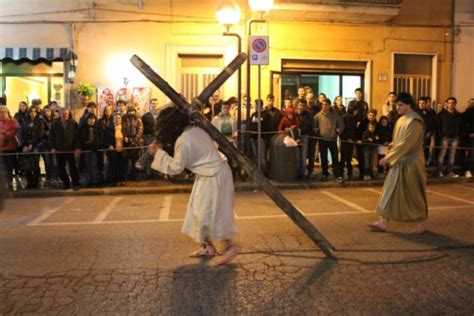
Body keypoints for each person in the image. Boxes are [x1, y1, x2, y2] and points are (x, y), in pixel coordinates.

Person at [147, 106, 239, 265]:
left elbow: (176, 168)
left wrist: (158, 154)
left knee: (211, 213)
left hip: (213, 176)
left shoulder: (184, 140)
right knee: (198, 211)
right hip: (212, 174)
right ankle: (208, 247)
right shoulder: (196, 130)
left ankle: (231, 247)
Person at [369, 92, 427, 234]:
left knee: (413, 193)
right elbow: (399, 140)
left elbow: (407, 144)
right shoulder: (403, 119)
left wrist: (388, 158)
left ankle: (422, 223)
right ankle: (383, 221)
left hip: (411, 163)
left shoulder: (414, 121)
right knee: (390, 190)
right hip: (399, 160)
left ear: (408, 105)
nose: (397, 107)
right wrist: (391, 147)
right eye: (396, 105)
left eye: (400, 105)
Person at [314, 98, 344, 182]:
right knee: (323, 157)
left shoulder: (335, 115)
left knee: (335, 157)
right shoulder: (318, 116)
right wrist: (317, 131)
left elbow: (341, 125)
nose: (324, 106)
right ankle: (324, 173)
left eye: (326, 104)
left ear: (329, 105)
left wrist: (337, 131)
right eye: (322, 104)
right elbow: (314, 126)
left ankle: (337, 174)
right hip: (322, 139)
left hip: (332, 139)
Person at [50, 108, 81, 190]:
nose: (65, 115)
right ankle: (65, 183)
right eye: (63, 114)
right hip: (60, 149)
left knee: (73, 167)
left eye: (66, 114)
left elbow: (77, 136)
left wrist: (77, 147)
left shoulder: (74, 124)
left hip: (70, 149)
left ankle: (76, 183)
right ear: (60, 114)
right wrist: (52, 147)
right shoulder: (55, 124)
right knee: (61, 167)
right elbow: (52, 137)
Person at [436, 97, 462, 178]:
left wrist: (458, 136)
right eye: (449, 103)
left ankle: (449, 171)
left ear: (455, 104)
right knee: (442, 155)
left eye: (453, 103)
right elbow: (438, 126)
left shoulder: (458, 115)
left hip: (455, 138)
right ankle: (439, 171)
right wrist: (442, 135)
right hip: (445, 138)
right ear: (447, 104)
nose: (451, 104)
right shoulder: (441, 114)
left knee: (452, 156)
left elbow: (461, 127)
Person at [20, 106, 44, 189]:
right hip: (26, 146)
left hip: (36, 145)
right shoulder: (25, 122)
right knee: (26, 164)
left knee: (35, 164)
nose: (32, 113)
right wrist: (24, 145)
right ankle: (29, 182)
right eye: (31, 112)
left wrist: (32, 145)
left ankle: (35, 181)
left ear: (37, 113)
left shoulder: (40, 122)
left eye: (34, 112)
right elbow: (22, 134)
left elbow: (40, 135)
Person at [79, 113, 102, 187]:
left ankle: (96, 181)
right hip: (86, 149)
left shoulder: (98, 127)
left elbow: (101, 137)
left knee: (95, 165)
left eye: (93, 119)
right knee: (87, 165)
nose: (91, 121)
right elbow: (80, 139)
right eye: (90, 119)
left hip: (95, 149)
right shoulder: (83, 128)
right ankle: (89, 181)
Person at [0, 105, 19, 190]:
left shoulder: (13, 121)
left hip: (10, 147)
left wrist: (3, 132)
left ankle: (9, 182)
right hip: (0, 148)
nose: (2, 114)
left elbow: (12, 134)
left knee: (9, 166)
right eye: (0, 112)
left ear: (7, 112)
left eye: (4, 112)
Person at [461, 98, 474, 178]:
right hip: (467, 137)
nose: (472, 104)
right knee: (469, 154)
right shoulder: (464, 114)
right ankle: (467, 170)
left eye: (473, 103)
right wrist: (469, 133)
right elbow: (463, 126)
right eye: (471, 103)